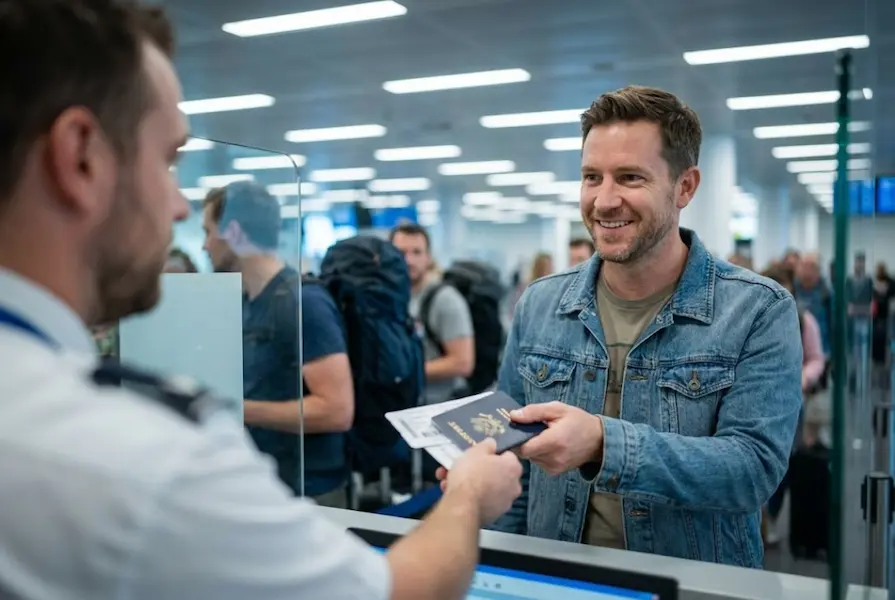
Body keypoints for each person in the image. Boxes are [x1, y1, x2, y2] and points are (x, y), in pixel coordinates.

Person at [0, 2, 522, 599]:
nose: (177, 208)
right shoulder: (147, 462)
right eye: (166, 161)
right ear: (81, 156)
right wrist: (469, 495)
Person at [482, 85, 802, 567]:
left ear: (685, 187)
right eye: (592, 177)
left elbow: (752, 469)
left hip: (690, 584)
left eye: (629, 177)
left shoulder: (758, 310)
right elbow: (513, 449)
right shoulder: (541, 303)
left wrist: (604, 443)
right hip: (558, 576)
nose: (604, 201)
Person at [202, 182, 353, 505]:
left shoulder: (303, 302)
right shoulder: (244, 300)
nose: (204, 245)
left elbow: (337, 410)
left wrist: (237, 409)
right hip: (265, 486)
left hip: (310, 494)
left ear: (235, 233)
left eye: (209, 232)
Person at [759, 265, 826, 546]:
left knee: (783, 463)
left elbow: (816, 359)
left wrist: (801, 378)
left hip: (790, 402)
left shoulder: (803, 320)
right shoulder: (746, 318)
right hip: (754, 400)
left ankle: (771, 516)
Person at [390, 223, 474, 405]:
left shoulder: (445, 299)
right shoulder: (390, 298)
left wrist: (404, 372)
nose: (409, 260)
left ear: (428, 257)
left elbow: (463, 362)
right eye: (401, 253)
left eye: (417, 252)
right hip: (407, 404)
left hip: (443, 405)